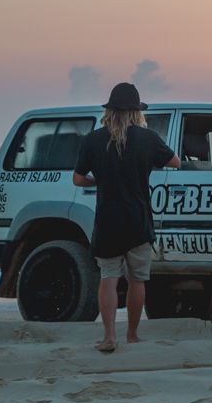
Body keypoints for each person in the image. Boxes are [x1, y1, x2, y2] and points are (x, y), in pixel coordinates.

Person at [73, 83, 180, 353]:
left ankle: (109, 336)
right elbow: (175, 162)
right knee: (137, 279)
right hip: (138, 219)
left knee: (109, 277)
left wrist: (96, 180)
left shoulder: (93, 140)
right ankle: (132, 335)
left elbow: (77, 179)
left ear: (109, 111)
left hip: (108, 220)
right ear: (136, 112)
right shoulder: (147, 138)